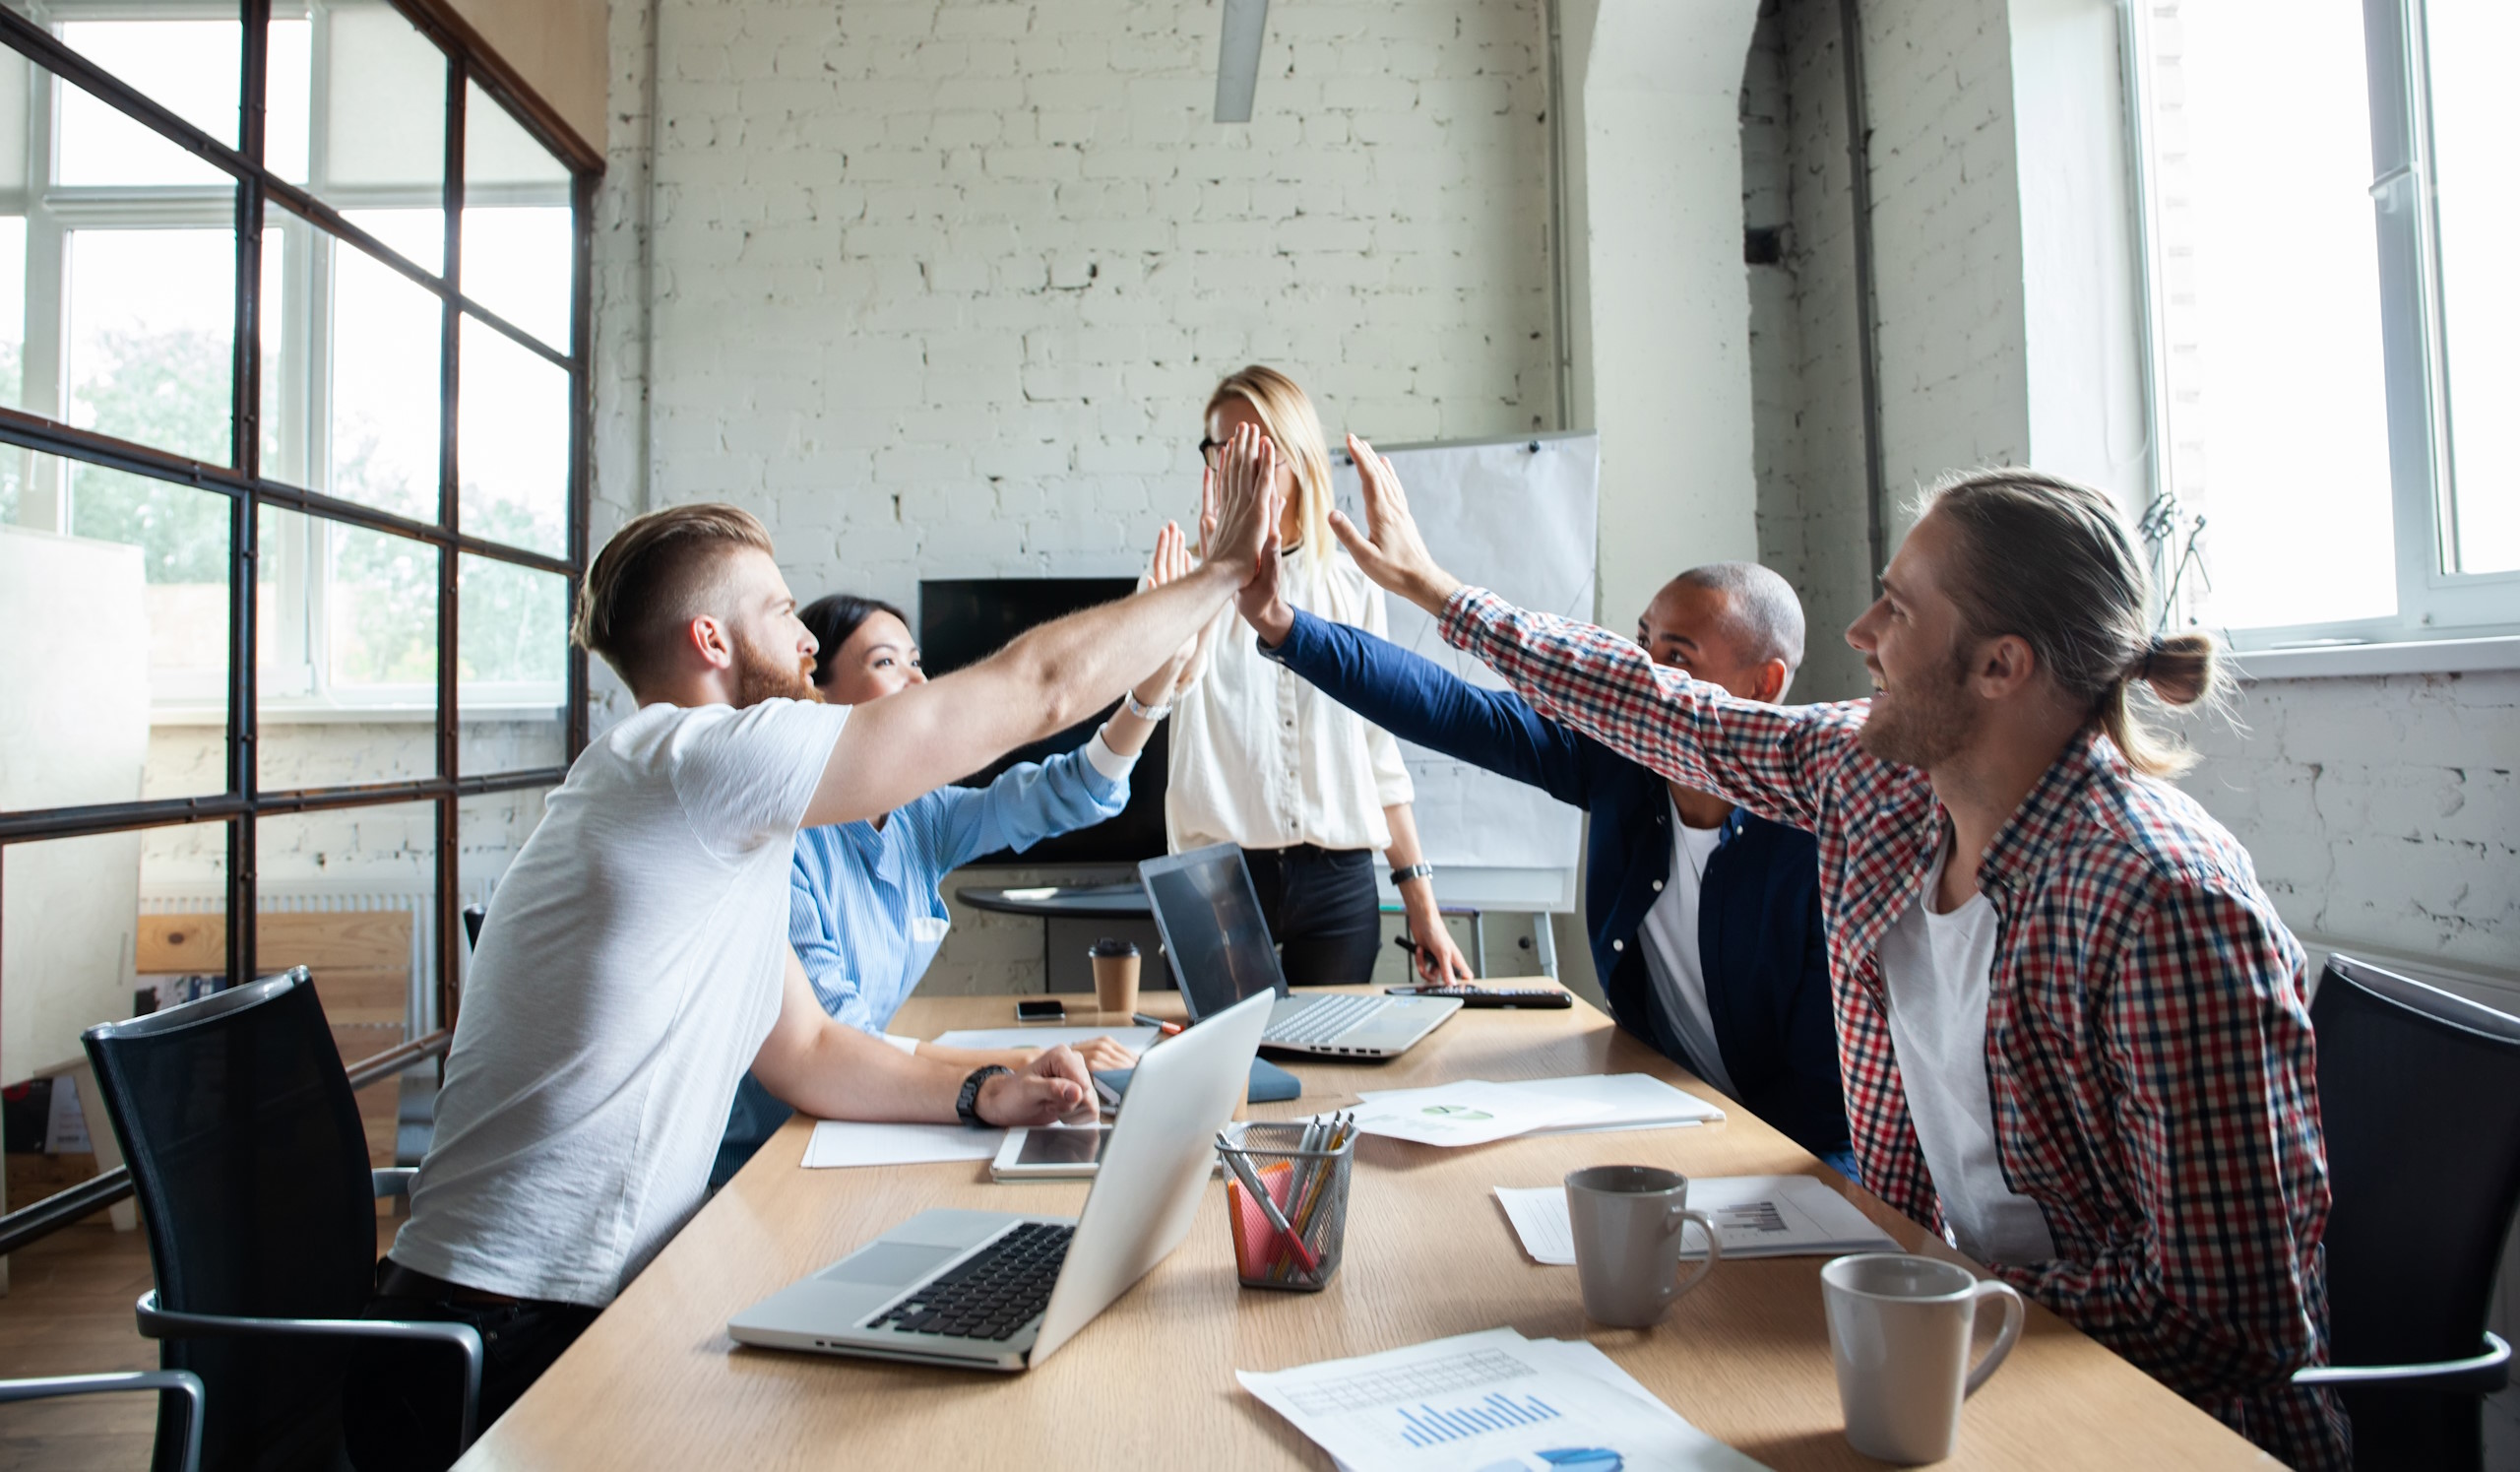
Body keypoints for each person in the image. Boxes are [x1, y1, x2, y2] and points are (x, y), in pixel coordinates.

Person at [1320, 446, 2348, 1469]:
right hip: (1943, 1357)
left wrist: (1932, 1287)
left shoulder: (2161, 901)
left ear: (2001, 665)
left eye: (1897, 611)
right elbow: (1662, 707)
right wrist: (1433, 589)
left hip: (2143, 1423)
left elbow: (2229, 1321)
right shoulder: (1877, 783)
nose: (1859, 635)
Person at [346, 434, 1278, 1469]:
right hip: (499, 1344)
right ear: (710, 639)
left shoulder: (709, 826)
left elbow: (810, 1050)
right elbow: (1036, 686)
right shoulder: (689, 759)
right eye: (782, 613)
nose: (803, 641)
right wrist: (1222, 575)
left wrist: (991, 1090)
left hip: (590, 1302)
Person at [1240, 555, 1853, 1172]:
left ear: (1763, 685)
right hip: (1660, 1114)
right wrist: (1282, 625)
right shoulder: (1619, 763)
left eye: (1676, 658)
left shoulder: (1818, 841)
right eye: (1640, 644)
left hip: (1783, 1163)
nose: (1642, 677)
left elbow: (1820, 1113)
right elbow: (1452, 709)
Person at [712, 525, 1214, 1184]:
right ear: (821, 692)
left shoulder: (923, 813)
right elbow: (838, 1039)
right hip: (771, 1160)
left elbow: (1068, 792)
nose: (919, 677)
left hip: (861, 1126)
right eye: (887, 662)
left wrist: (1151, 696)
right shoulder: (783, 841)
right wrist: (1024, 1062)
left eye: (915, 657)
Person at [1163, 365, 1473, 986]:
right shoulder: (1181, 575)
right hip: (1216, 883)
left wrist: (1424, 910)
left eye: (1257, 451)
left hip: (1338, 886)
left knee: (1331, 1073)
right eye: (1223, 451)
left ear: (1298, 459)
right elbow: (1164, 689)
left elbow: (1379, 755)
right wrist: (1210, 581)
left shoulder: (1352, 585)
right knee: (1217, 1077)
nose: (1237, 469)